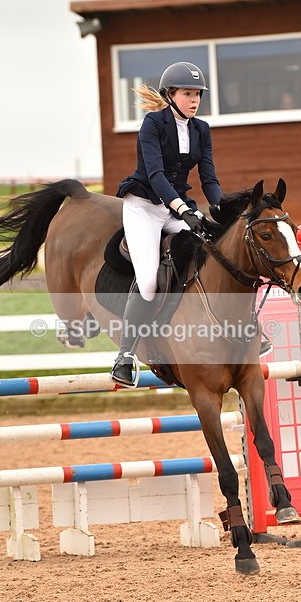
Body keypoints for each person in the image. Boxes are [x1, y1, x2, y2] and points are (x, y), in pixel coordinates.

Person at [110, 61, 223, 386]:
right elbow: (156, 175)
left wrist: (220, 207)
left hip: (176, 207)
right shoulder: (153, 124)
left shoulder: (201, 129)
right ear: (170, 95)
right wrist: (181, 210)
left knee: (212, 254)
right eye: (188, 94)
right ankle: (125, 357)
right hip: (144, 206)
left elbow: (209, 177)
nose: (194, 100)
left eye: (197, 95)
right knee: (147, 282)